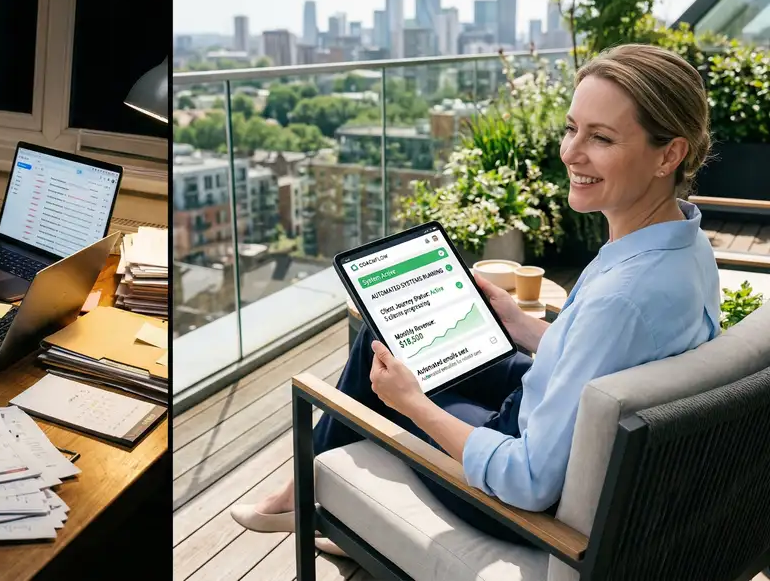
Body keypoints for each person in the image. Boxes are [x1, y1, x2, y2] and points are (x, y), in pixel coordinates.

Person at [231, 43, 722, 554]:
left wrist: (414, 407)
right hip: (560, 417)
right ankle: (316, 499)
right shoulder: (685, 248)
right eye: (572, 128)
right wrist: (519, 324)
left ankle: (310, 498)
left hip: (517, 494)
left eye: (601, 137)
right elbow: (606, 365)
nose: (572, 152)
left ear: (669, 154)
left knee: (389, 367)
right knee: (388, 331)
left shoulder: (621, 300)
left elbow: (528, 480)